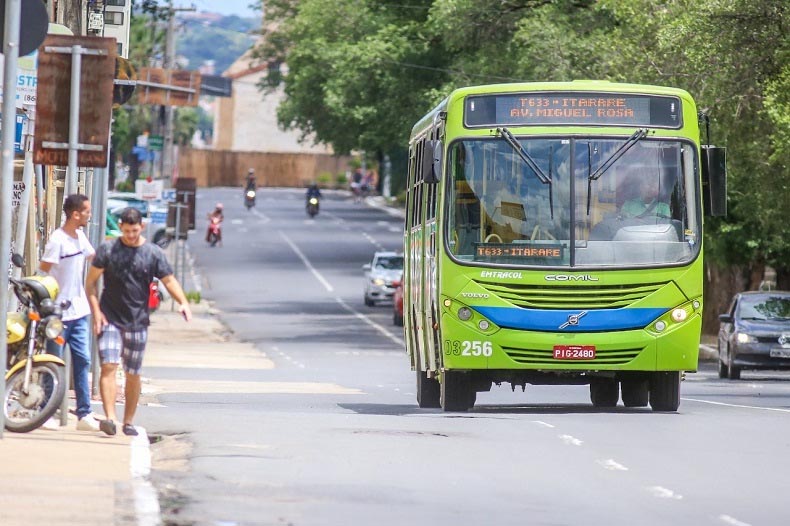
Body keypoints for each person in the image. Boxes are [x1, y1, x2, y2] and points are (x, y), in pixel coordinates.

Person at [86, 207, 193, 437]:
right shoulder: (108, 249)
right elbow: (91, 283)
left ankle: (128, 421)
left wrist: (183, 301)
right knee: (109, 366)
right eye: (126, 231)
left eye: (134, 231)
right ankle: (111, 418)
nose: (130, 236)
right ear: (121, 228)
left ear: (141, 227)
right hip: (109, 318)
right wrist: (96, 312)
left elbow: (169, 280)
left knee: (133, 372)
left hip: (138, 321)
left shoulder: (152, 253)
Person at [39, 194, 100, 432]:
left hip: (80, 309)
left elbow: (94, 257)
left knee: (83, 360)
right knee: (53, 361)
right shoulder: (57, 240)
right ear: (76, 214)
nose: (89, 215)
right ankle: (45, 411)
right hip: (58, 313)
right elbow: (43, 271)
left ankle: (84, 413)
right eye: (87, 211)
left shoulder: (80, 237)